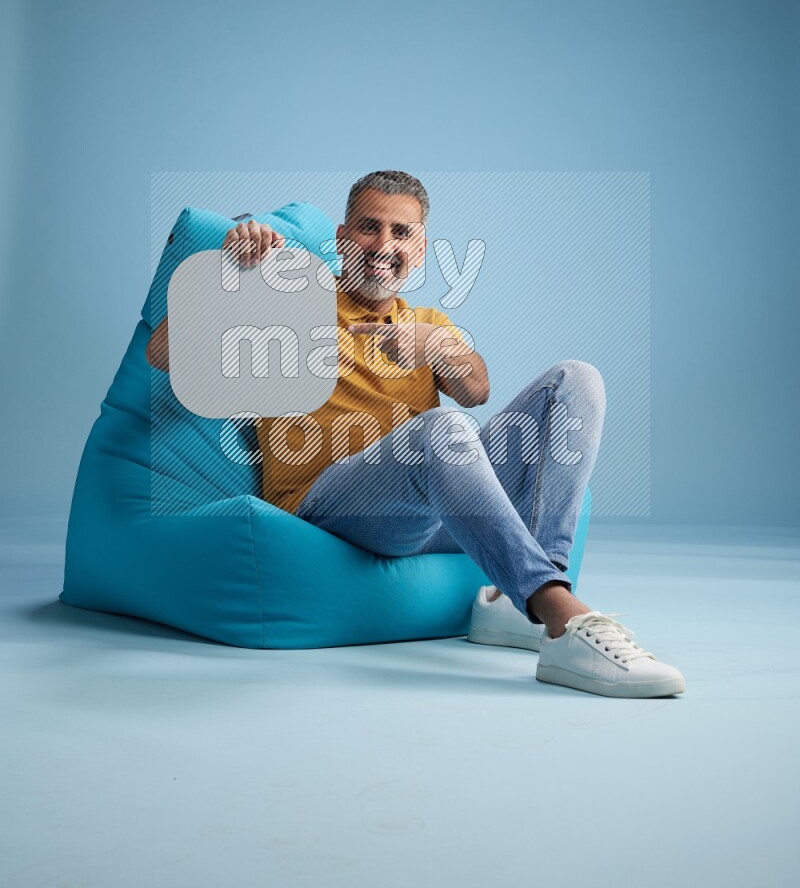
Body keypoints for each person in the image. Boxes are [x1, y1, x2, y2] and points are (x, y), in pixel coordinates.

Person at [147, 170, 685, 698]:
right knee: (443, 429)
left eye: (400, 232)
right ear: (341, 238)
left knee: (576, 379)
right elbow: (164, 355)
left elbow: (477, 390)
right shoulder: (291, 302)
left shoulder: (427, 322)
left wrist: (437, 347)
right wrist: (230, 271)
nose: (383, 244)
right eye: (368, 227)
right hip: (330, 507)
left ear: (420, 249)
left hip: (433, 511)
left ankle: (516, 602)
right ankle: (560, 613)